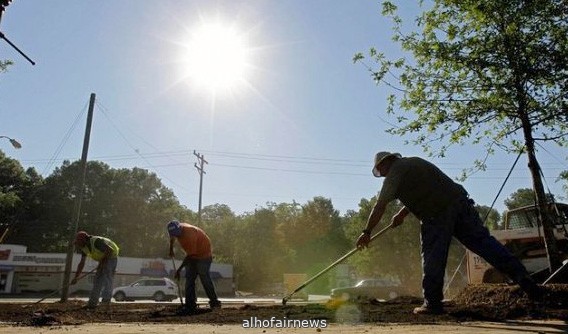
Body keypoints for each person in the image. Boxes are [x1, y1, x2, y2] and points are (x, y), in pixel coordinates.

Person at [356, 151, 541, 315]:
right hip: (460, 204)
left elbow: (379, 205)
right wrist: (402, 214)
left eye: (381, 171)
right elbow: (428, 189)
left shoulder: (395, 171)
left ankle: (433, 303)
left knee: (432, 256)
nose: (383, 175)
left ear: (384, 163)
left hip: (436, 214)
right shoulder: (414, 162)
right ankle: (523, 278)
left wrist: (367, 232)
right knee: (484, 243)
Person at [167, 220, 221, 315]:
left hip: (203, 255)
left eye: (178, 234)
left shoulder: (190, 233)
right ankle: (190, 305)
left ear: (180, 228)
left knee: (204, 277)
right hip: (192, 255)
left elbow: (190, 257)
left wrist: (179, 270)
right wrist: (171, 249)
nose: (177, 236)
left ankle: (214, 302)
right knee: (189, 279)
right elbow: (172, 238)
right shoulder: (174, 231)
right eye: (175, 234)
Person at [71, 231, 119, 309]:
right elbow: (81, 263)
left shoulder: (96, 241)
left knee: (107, 278)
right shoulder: (84, 248)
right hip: (103, 259)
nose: (78, 245)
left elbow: (110, 250)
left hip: (111, 257)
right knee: (97, 280)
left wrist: (102, 263)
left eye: (78, 242)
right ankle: (92, 303)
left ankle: (106, 302)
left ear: (83, 240)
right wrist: (76, 277)